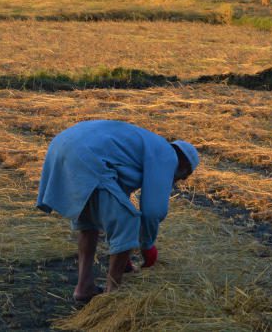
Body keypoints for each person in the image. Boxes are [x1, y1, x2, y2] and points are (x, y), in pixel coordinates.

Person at [36, 120, 199, 303]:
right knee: (128, 221)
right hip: (85, 155)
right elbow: (153, 210)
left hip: (63, 144)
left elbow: (117, 195)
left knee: (89, 223)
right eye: (183, 177)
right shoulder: (167, 155)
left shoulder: (146, 146)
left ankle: (84, 287)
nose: (178, 180)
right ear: (184, 165)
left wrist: (124, 251)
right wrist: (147, 245)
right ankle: (111, 295)